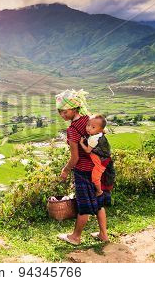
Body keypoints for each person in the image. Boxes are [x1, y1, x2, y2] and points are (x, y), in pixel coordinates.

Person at [55, 89, 110, 245]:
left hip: (83, 171)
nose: (62, 115)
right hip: (97, 169)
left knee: (83, 204)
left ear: (74, 109)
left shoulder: (72, 130)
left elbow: (75, 157)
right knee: (98, 201)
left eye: (65, 111)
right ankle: (103, 234)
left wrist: (65, 170)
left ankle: (76, 237)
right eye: (60, 112)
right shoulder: (89, 120)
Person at [79, 114, 112, 196]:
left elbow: (87, 150)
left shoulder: (93, 139)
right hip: (104, 158)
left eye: (93, 127)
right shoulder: (99, 134)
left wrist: (81, 143)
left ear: (100, 130)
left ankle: (99, 191)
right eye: (88, 125)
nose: (89, 128)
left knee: (95, 178)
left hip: (101, 161)